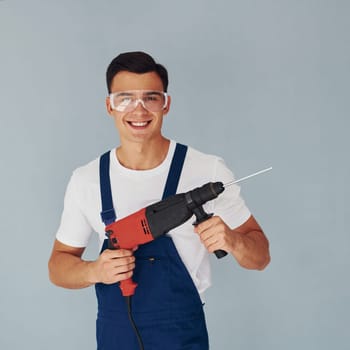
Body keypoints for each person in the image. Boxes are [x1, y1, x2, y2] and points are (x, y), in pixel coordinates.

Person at [48, 51, 270, 350]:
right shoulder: (87, 179)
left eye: (150, 98)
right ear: (109, 106)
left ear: (165, 104)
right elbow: (58, 266)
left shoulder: (207, 170)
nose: (138, 110)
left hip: (181, 336)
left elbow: (261, 258)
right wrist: (94, 271)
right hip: (115, 337)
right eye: (125, 98)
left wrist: (233, 241)